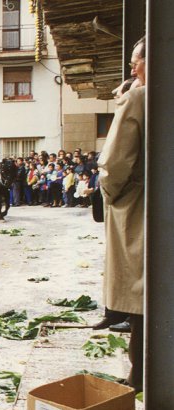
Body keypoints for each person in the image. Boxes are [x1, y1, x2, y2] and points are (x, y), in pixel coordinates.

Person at [97, 35, 146, 391]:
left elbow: (114, 163)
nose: (132, 68)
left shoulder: (139, 97)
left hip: (139, 204)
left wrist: (109, 196)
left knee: (139, 288)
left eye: (136, 62)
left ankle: (140, 375)